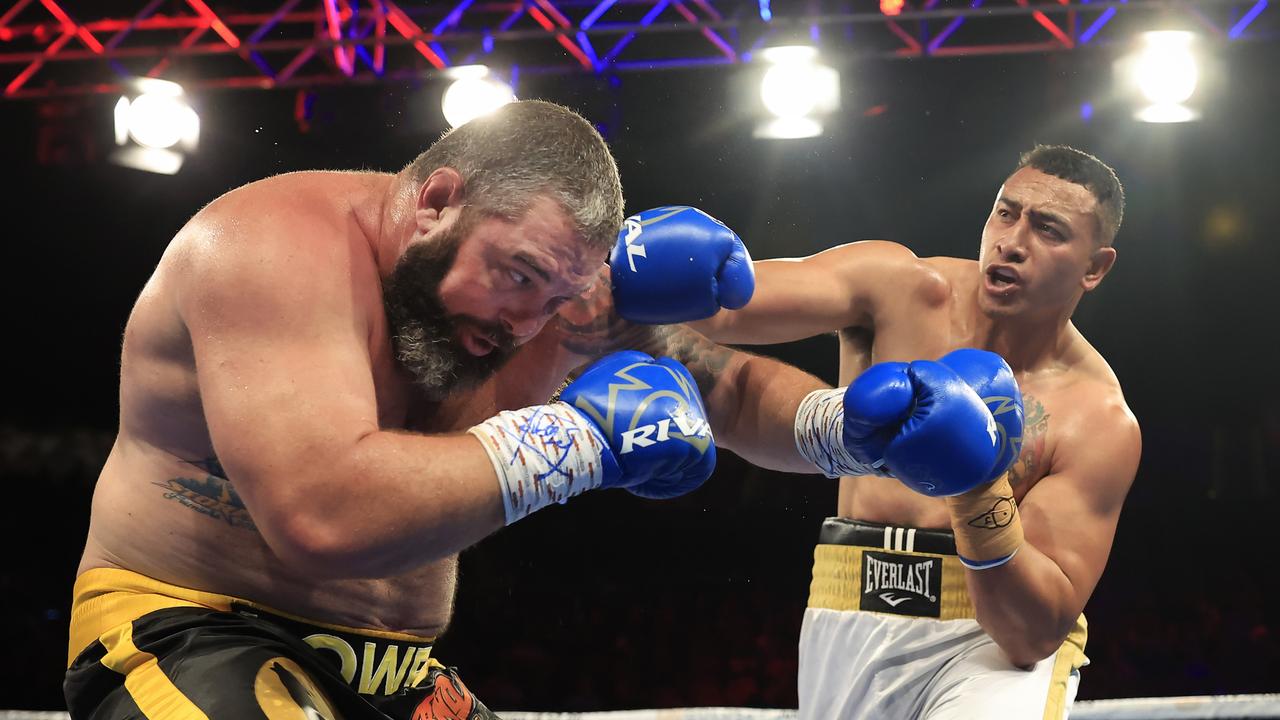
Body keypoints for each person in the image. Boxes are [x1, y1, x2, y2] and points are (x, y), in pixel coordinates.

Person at [63, 100, 844, 720]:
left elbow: (728, 391)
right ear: (437, 201)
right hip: (195, 630)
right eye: (516, 276)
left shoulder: (556, 290)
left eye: (559, 299)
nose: (528, 323)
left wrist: (838, 428)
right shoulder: (270, 246)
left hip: (403, 673)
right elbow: (321, 516)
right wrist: (574, 439)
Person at [688, 145, 1143, 719]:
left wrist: (978, 484)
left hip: (988, 641)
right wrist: (631, 275)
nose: (1013, 242)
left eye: (1048, 229)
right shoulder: (897, 288)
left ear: (1094, 267)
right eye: (1006, 213)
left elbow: (1031, 634)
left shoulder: (1097, 417)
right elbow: (727, 307)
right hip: (845, 606)